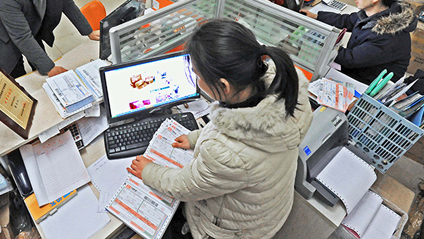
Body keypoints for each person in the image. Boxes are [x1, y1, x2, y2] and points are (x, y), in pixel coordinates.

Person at [128, 19, 313, 239]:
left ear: (224, 85)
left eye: (198, 75)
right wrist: (196, 137)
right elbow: (232, 125)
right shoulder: (285, 88)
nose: (197, 81)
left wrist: (148, 171)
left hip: (231, 229)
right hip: (266, 211)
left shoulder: (225, 153)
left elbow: (184, 185)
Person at [301, 0, 417, 84]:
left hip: (367, 84)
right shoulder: (376, 12)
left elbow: (350, 59)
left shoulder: (389, 35)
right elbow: (347, 20)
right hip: (359, 68)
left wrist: (320, 42)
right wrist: (316, 16)